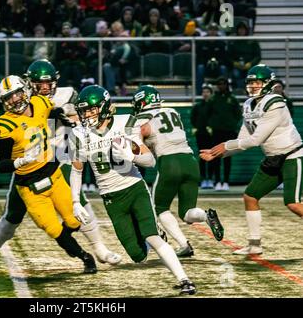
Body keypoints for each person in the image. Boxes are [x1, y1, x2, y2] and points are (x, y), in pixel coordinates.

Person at [0, 60, 121, 272]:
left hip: (59, 159)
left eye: (49, 83)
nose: (45, 87)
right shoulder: (22, 102)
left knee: (79, 205)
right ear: (29, 83)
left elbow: (84, 115)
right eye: (40, 83)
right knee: (12, 218)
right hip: (27, 169)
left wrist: (69, 118)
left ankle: (99, 249)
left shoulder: (67, 95)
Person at [70, 84, 196, 295]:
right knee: (138, 255)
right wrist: (75, 200)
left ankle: (184, 280)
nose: (87, 115)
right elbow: (76, 170)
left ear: (104, 107)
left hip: (135, 188)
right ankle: (153, 235)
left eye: (91, 109)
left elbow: (150, 161)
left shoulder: (125, 124)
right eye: (84, 111)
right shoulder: (79, 134)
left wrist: (132, 157)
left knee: (152, 237)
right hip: (111, 198)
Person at [200, 64, 303, 255]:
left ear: (268, 83)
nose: (253, 86)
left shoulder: (276, 103)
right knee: (250, 197)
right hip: (272, 158)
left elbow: (256, 140)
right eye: (251, 82)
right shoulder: (248, 104)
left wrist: (224, 146)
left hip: (291, 156)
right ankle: (254, 245)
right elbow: (242, 139)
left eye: (257, 82)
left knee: (293, 203)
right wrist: (218, 153)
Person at [131, 85, 224, 258]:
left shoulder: (140, 120)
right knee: (187, 213)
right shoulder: (172, 111)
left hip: (169, 162)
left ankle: (183, 244)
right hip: (190, 161)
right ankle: (206, 215)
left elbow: (142, 142)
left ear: (143, 102)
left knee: (159, 208)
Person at [207, 76, 242, 191]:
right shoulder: (213, 99)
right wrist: (211, 126)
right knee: (216, 156)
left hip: (229, 132)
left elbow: (238, 114)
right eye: (219, 84)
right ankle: (217, 181)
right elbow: (208, 114)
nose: (221, 86)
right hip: (216, 131)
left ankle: (226, 181)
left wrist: (233, 126)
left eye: (223, 84)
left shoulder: (232, 99)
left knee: (227, 157)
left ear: (227, 85)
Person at [191, 83, 214, 189]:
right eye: (204, 92)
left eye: (207, 92)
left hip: (212, 135)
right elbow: (193, 118)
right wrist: (196, 127)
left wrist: (211, 126)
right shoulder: (198, 106)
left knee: (211, 157)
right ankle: (203, 179)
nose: (205, 94)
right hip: (200, 135)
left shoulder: (214, 105)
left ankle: (210, 179)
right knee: (202, 157)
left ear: (211, 93)